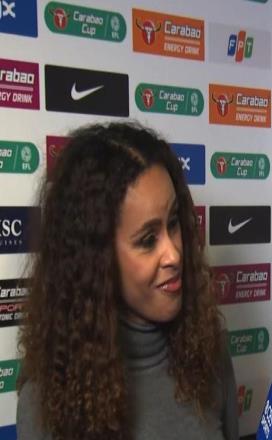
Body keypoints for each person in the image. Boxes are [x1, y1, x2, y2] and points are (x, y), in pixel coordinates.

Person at [17, 122, 239, 440]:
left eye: (173, 223)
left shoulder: (210, 356)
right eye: (148, 240)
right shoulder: (45, 403)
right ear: (98, 260)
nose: (174, 254)